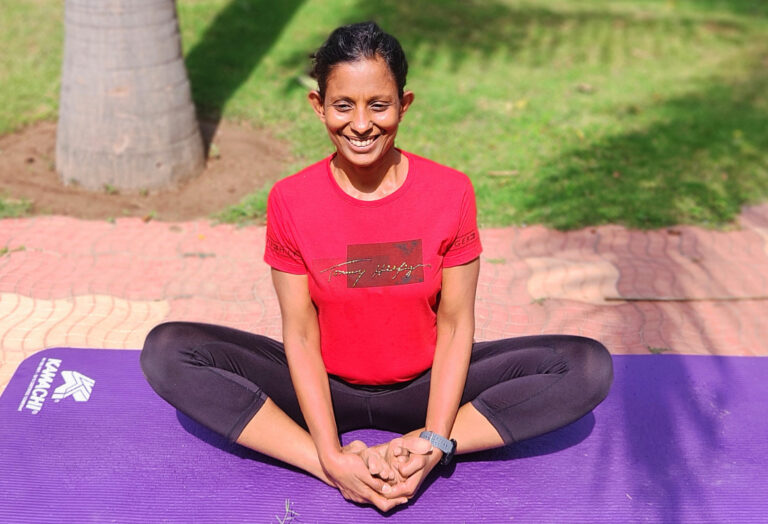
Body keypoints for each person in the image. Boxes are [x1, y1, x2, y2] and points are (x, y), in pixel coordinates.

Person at [140, 21, 613, 512]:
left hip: (425, 385)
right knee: (168, 351)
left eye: (379, 105)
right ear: (318, 106)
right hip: (323, 386)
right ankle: (324, 464)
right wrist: (328, 453)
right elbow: (299, 333)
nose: (361, 124)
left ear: (404, 105)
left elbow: (454, 326)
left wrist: (432, 442)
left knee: (585, 366)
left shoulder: (451, 192)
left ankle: (421, 448)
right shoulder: (290, 199)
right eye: (343, 105)